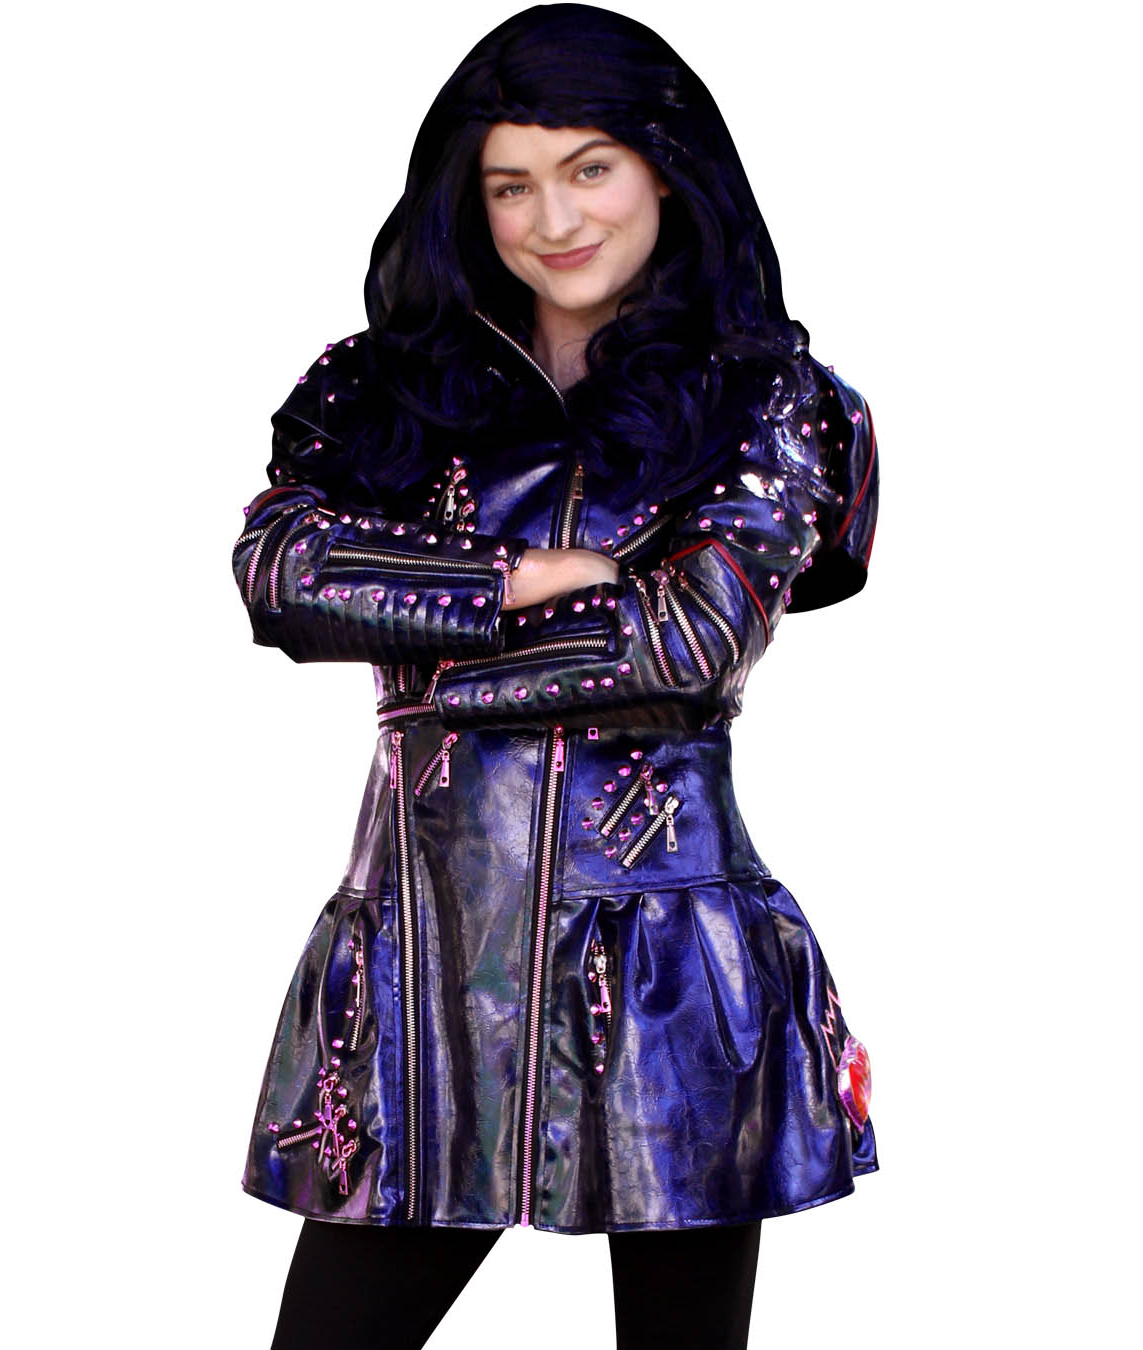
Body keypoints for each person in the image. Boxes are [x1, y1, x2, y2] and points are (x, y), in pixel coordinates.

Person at [232, 5, 880, 1346]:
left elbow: (686, 644)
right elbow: (280, 571)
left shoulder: (768, 401)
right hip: (420, 967)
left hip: (661, 974)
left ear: (666, 172)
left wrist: (420, 658)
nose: (555, 218)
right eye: (511, 184)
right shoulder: (379, 393)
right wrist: (512, 577)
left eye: (590, 168)